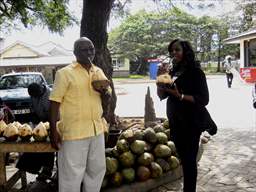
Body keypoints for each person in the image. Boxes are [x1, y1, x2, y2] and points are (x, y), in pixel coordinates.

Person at [49, 37, 108, 192]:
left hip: (96, 130)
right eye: (84, 49)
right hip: (74, 133)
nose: (89, 52)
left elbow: (106, 98)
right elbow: (54, 102)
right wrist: (53, 130)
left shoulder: (98, 71)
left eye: (91, 49)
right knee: (71, 175)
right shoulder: (65, 73)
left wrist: (104, 93)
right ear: (75, 52)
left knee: (96, 171)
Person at [157, 39, 210, 192]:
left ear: (185, 51)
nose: (174, 53)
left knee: (189, 161)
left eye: (177, 50)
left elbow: (204, 99)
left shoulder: (196, 72)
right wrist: (160, 79)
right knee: (184, 160)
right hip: (176, 122)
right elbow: (162, 95)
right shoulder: (173, 72)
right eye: (172, 50)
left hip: (191, 123)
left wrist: (180, 96)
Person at [16, 83, 55, 181]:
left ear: (41, 90)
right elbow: (33, 110)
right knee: (35, 143)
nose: (34, 98)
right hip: (40, 122)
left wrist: (47, 125)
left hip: (53, 122)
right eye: (32, 96)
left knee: (48, 145)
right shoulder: (34, 95)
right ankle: (33, 167)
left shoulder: (51, 94)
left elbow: (54, 113)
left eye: (35, 96)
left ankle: (47, 170)